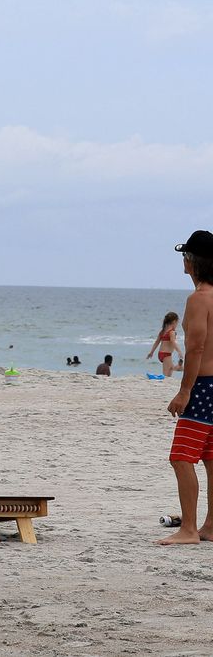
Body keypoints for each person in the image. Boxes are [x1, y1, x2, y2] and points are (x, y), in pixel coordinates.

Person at [160, 231, 213, 545]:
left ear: (194, 262)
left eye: (186, 256)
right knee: (211, 458)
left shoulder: (198, 298)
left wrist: (184, 391)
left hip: (204, 387)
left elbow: (195, 349)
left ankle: (189, 529)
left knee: (181, 457)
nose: (183, 260)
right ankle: (210, 526)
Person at [148, 312, 183, 378]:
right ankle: (155, 377)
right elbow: (173, 342)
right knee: (166, 375)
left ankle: (180, 366)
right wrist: (179, 351)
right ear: (174, 322)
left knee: (171, 370)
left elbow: (157, 342)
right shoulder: (172, 332)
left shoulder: (163, 331)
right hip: (166, 354)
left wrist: (151, 352)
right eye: (177, 323)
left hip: (161, 354)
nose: (177, 325)